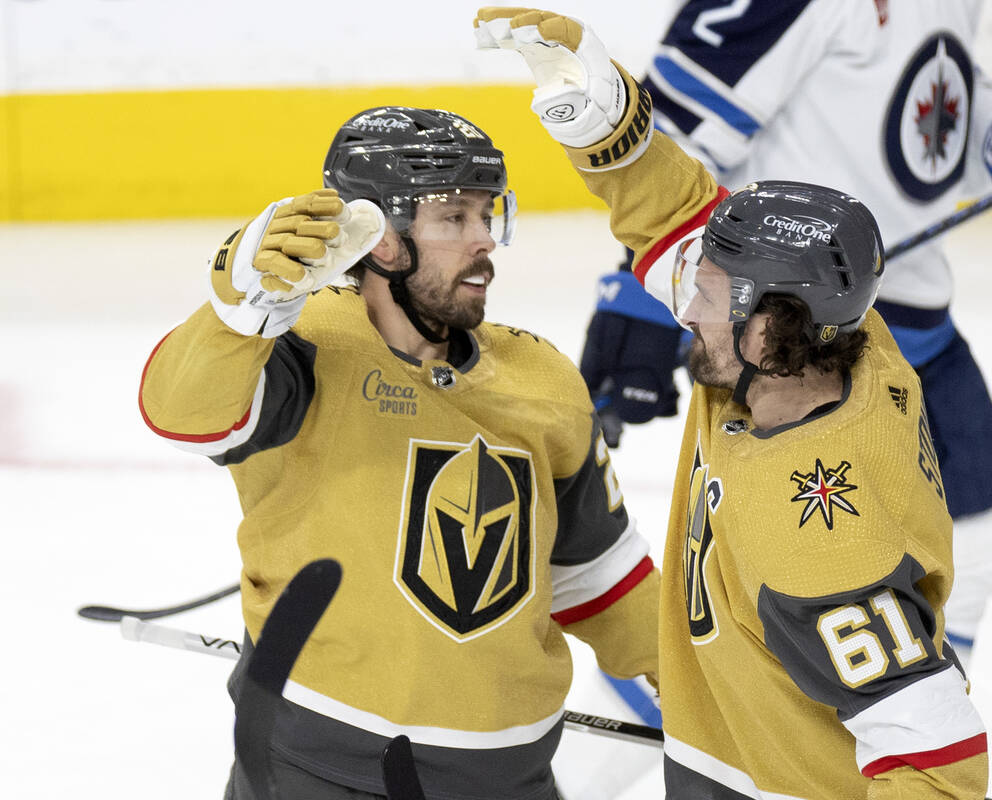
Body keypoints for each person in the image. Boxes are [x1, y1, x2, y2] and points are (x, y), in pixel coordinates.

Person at [478, 7, 989, 798]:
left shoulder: (823, 543)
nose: (683, 309)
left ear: (771, 322)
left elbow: (942, 771)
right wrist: (609, 119)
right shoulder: (837, 338)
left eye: (709, 295)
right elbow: (675, 213)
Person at [574, 0, 992, 663]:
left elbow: (922, 114)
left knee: (976, 538)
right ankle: (703, 737)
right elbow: (670, 137)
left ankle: (881, 740)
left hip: (913, 324)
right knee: (776, 592)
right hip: (802, 331)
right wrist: (642, 299)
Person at [137, 105, 660, 799]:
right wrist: (239, 307)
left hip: (505, 775)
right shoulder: (302, 345)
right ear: (379, 236)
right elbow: (182, 414)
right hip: (313, 764)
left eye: (487, 214)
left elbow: (601, 577)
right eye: (453, 218)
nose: (484, 242)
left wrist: (716, 687)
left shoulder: (544, 379)